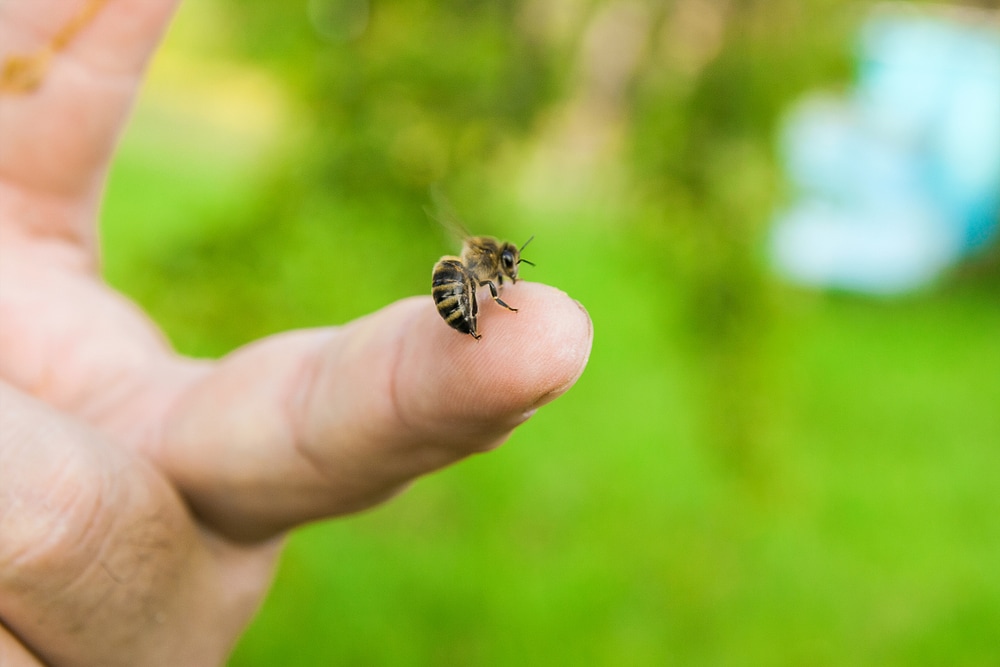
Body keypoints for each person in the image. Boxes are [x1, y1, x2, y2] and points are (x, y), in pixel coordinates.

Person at [0, 1, 593, 664]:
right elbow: (476, 277)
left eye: (507, 270)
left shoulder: (486, 269)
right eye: (507, 267)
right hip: (453, 296)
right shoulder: (477, 267)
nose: (509, 272)